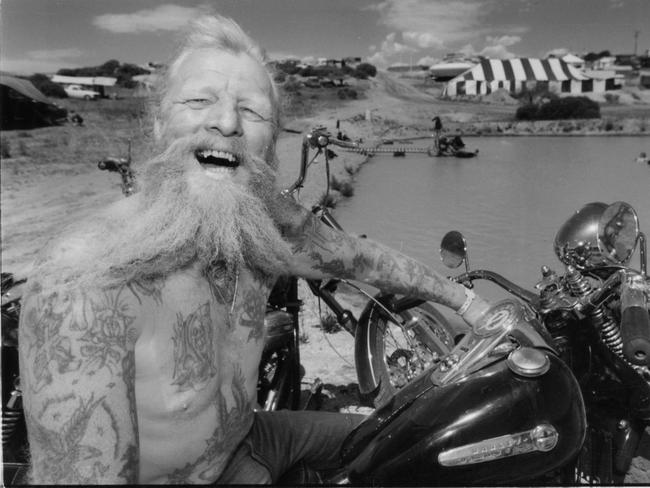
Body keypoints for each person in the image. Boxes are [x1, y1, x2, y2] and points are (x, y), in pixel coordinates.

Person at [18, 13, 491, 484]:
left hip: (250, 438)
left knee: (417, 441)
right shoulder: (87, 278)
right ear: (160, 124)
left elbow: (362, 259)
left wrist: (468, 303)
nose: (226, 122)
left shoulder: (261, 229)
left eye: (252, 111)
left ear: (270, 146)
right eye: (200, 100)